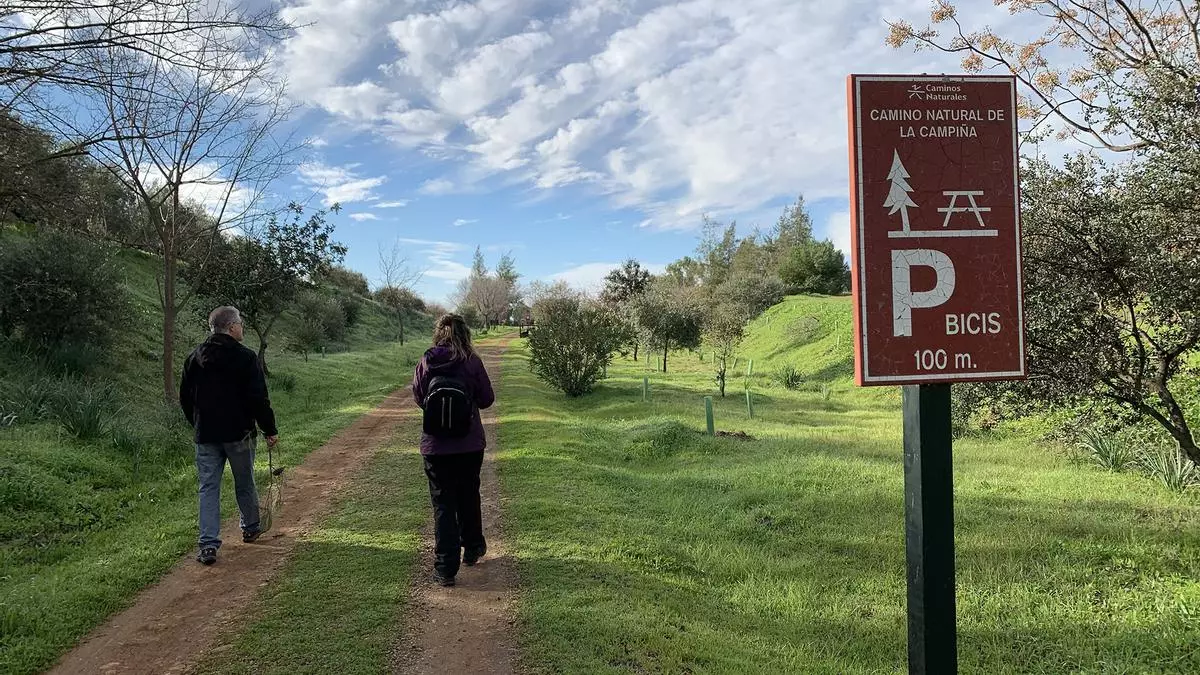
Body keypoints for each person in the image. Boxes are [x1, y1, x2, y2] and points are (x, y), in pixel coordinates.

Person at [180, 306, 279, 566]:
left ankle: (208, 545)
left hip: (206, 435)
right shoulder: (245, 358)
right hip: (240, 433)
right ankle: (250, 527)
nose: (242, 327)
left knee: (208, 488)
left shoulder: (194, 357)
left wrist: (198, 423)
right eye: (240, 323)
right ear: (231, 327)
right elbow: (258, 398)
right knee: (244, 481)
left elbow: (185, 399)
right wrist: (269, 429)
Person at [412, 314, 495, 587]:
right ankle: (472, 548)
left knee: (443, 504)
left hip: (435, 446)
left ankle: (445, 569)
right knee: (469, 494)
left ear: (438, 333)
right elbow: (486, 400)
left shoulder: (427, 360)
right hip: (470, 444)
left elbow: (418, 396)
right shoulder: (472, 361)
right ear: (466, 334)